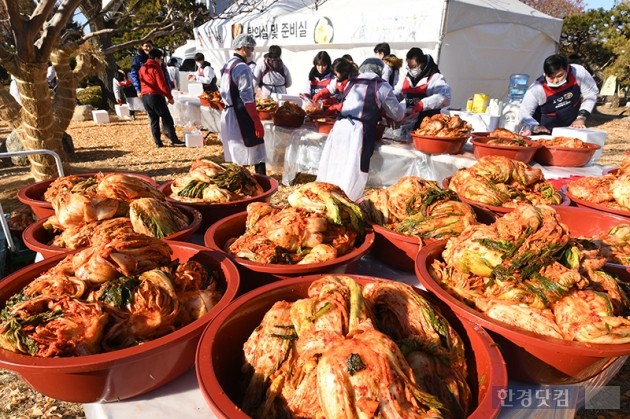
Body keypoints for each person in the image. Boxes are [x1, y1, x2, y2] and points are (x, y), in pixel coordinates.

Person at [316, 58, 405, 200]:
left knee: (335, 164)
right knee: (353, 169)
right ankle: (347, 200)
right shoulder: (381, 86)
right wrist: (386, 113)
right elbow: (398, 114)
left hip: (340, 127)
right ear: (380, 71)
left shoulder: (352, 82)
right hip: (358, 131)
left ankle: (325, 196)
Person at [219, 34, 266, 175]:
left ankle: (240, 179)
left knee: (235, 151)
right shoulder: (242, 68)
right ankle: (260, 180)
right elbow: (247, 99)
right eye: (251, 49)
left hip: (228, 112)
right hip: (240, 114)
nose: (251, 53)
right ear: (244, 48)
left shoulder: (228, 64)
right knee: (257, 149)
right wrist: (256, 120)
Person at [518, 54, 599, 135]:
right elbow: (524, 113)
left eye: (559, 76)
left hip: (572, 128)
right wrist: (535, 126)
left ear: (567, 68)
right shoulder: (537, 88)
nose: (555, 81)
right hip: (545, 131)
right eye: (551, 77)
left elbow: (591, 94)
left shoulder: (578, 72)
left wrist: (581, 118)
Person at [394, 47, 451, 129]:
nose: (411, 70)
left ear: (421, 64)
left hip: (429, 125)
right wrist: (387, 103)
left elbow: (445, 97)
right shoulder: (406, 77)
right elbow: (397, 93)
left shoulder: (435, 77)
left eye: (414, 66)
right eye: (409, 67)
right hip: (409, 122)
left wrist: (423, 104)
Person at [138, 48, 183, 147]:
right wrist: (169, 97)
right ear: (156, 58)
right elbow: (161, 84)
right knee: (167, 118)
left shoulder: (142, 68)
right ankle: (174, 139)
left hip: (145, 97)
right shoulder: (155, 68)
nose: (161, 61)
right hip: (155, 96)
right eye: (160, 59)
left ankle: (158, 142)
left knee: (154, 120)